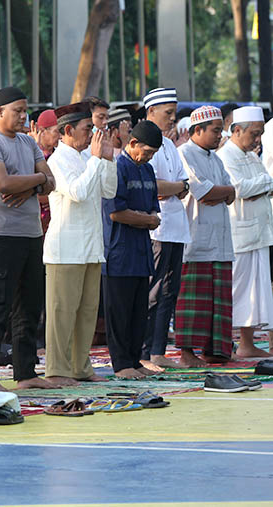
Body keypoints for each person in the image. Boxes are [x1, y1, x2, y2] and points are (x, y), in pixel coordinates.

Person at [0, 86, 56, 391]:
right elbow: (2, 183)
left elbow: (52, 183)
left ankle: (26, 373)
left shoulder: (27, 142)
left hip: (31, 234)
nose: (24, 116)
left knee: (29, 306)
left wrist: (32, 185)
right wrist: (36, 180)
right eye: (18, 111)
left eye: (25, 110)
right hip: (0, 235)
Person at [43, 102, 117, 386]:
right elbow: (78, 192)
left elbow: (108, 190)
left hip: (91, 246)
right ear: (68, 130)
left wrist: (107, 160)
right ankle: (57, 369)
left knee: (86, 312)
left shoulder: (89, 157)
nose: (93, 134)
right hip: (66, 248)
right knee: (62, 313)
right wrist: (98, 160)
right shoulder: (57, 160)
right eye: (88, 129)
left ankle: (80, 367)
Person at [102, 121, 163, 378]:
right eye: (146, 151)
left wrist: (148, 218)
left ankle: (135, 360)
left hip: (141, 250)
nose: (148, 157)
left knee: (139, 310)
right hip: (119, 251)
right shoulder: (118, 168)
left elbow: (153, 208)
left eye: (152, 154)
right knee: (120, 312)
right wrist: (147, 220)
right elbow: (116, 213)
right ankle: (121, 364)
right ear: (133, 143)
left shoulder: (147, 170)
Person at [176, 106, 236, 365]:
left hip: (220, 240)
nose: (219, 135)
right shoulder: (184, 154)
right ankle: (188, 354)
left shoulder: (216, 158)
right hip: (196, 239)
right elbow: (203, 192)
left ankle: (215, 351)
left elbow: (231, 192)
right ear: (197, 130)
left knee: (218, 300)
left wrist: (221, 192)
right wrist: (221, 192)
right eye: (214, 130)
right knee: (195, 301)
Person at [218, 106, 273, 359]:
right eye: (254, 134)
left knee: (256, 292)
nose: (257, 140)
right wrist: (266, 183)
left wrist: (263, 185)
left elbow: (261, 186)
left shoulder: (251, 156)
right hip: (239, 234)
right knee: (237, 291)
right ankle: (223, 345)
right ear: (236, 130)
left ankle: (247, 344)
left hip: (259, 232)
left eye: (260, 134)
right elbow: (238, 189)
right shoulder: (225, 155)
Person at [142, 88, 191, 369]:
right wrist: (175, 188)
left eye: (174, 113)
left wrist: (174, 188)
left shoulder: (170, 145)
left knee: (170, 291)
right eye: (168, 113)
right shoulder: (149, 145)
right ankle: (145, 352)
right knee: (154, 290)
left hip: (176, 228)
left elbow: (184, 186)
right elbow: (156, 188)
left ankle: (158, 351)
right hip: (157, 230)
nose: (173, 119)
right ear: (151, 113)